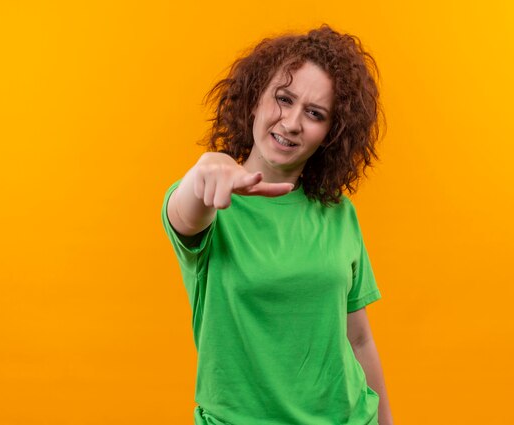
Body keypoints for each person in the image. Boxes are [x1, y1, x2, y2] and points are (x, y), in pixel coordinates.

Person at [161, 24, 393, 425]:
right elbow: (184, 212)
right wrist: (204, 173)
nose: (291, 122)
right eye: (283, 99)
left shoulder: (338, 213)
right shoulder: (211, 202)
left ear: (330, 134)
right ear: (255, 100)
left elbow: (359, 338)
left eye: (315, 114)